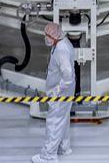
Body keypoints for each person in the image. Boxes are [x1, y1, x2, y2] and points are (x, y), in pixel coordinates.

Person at [32, 23, 75, 163]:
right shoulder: (62, 42)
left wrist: (56, 91)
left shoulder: (61, 50)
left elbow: (68, 76)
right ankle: (64, 147)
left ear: (55, 36)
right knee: (63, 119)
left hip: (60, 92)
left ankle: (48, 156)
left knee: (54, 122)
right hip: (65, 91)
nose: (46, 38)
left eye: (48, 35)